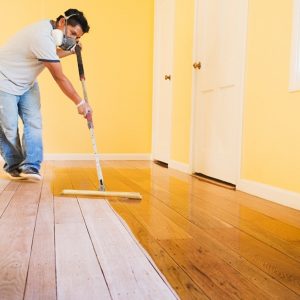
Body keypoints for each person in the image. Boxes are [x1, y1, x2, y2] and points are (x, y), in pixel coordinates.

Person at [0, 8, 92, 181]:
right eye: (72, 33)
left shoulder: (49, 36)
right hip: (4, 81)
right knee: (8, 128)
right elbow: (59, 77)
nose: (73, 39)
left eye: (77, 37)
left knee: (34, 122)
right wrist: (80, 103)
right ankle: (14, 165)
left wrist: (72, 50)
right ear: (62, 23)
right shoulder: (41, 36)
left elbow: (50, 55)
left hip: (27, 83)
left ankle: (31, 167)